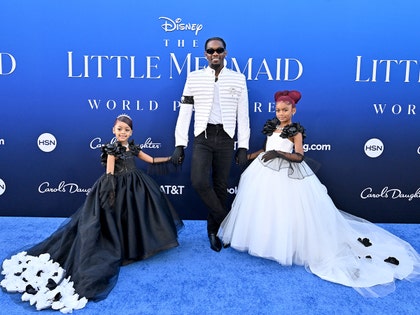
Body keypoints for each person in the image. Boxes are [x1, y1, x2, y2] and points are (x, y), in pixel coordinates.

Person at [218, 90, 420, 297]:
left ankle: (285, 246)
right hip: (263, 172)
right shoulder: (272, 127)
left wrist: (278, 153)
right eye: (278, 110)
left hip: (288, 175)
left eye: (285, 110)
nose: (281, 113)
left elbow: (299, 156)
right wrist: (250, 156)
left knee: (286, 210)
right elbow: (266, 148)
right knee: (263, 208)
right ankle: (260, 240)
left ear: (293, 110)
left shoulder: (295, 131)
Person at [1, 114, 184, 312]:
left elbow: (152, 159)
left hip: (135, 186)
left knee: (133, 218)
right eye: (119, 128)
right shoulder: (111, 149)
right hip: (116, 188)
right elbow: (109, 173)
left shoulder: (133, 147)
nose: (123, 132)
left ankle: (133, 248)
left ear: (131, 132)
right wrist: (110, 194)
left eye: (127, 129)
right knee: (114, 220)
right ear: (113, 130)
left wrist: (170, 158)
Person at [171, 36, 250, 252]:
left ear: (225, 52)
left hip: (225, 137)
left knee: (220, 186)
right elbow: (185, 111)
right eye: (210, 51)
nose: (215, 54)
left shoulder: (238, 79)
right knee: (198, 181)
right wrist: (180, 143)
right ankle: (226, 222)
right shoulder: (194, 77)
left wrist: (242, 145)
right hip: (202, 136)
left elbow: (243, 115)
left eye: (219, 50)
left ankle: (214, 231)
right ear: (205, 54)